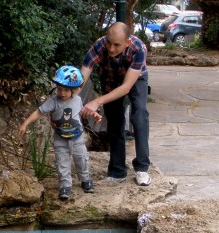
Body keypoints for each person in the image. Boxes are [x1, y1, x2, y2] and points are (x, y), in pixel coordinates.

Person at [80, 22, 151, 186]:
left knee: (139, 115)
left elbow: (126, 87)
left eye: (117, 45)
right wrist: (70, 98)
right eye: (109, 43)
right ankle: (117, 171)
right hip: (110, 77)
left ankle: (142, 168)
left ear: (127, 41)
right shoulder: (99, 45)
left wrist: (96, 101)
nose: (111, 49)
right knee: (114, 120)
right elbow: (83, 74)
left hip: (135, 79)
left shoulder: (138, 49)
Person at [18, 65, 102, 200]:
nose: (62, 93)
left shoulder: (77, 100)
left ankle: (85, 179)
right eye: (59, 89)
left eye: (66, 90)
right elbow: (39, 112)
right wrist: (25, 123)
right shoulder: (53, 102)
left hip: (77, 138)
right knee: (62, 162)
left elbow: (81, 112)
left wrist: (94, 115)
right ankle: (65, 185)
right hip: (60, 138)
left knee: (82, 159)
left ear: (74, 90)